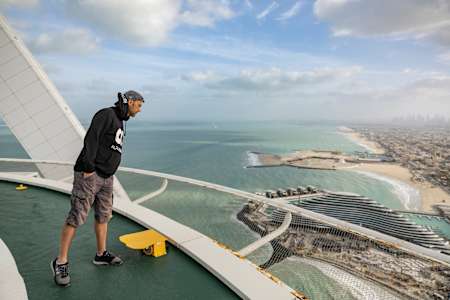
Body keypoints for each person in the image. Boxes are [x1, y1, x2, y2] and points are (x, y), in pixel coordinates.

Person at [51, 90, 144, 287]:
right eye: (139, 105)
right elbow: (91, 139)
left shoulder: (120, 121)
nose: (140, 110)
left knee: (103, 215)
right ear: (131, 101)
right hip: (91, 175)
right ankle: (60, 261)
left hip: (107, 178)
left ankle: (101, 254)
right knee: (77, 216)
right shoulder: (106, 114)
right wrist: (88, 169)